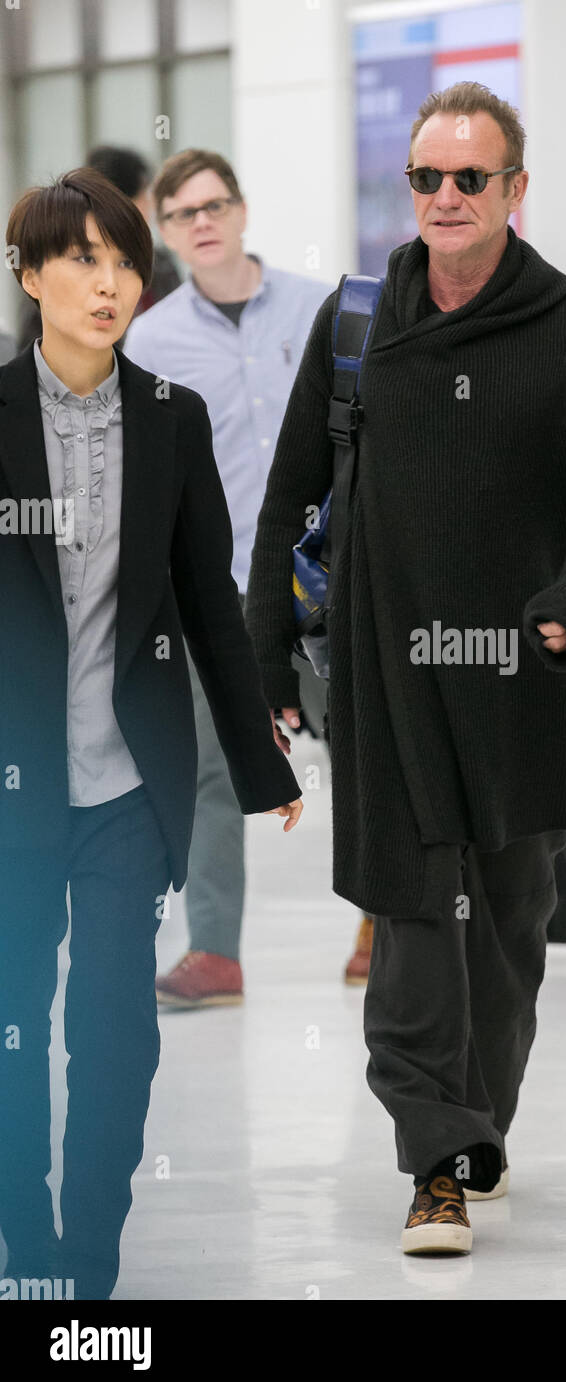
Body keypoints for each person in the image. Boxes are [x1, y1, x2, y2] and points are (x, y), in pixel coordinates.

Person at [246, 81, 566, 1255]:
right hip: (385, 669)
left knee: (510, 918)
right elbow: (287, 495)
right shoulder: (359, 321)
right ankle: (433, 1165)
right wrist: (268, 644)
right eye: (428, 177)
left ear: (515, 190)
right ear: (408, 188)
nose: (448, 196)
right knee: (416, 911)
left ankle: (476, 1124)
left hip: (519, 671)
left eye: (473, 177)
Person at [0, 168, 303, 1299]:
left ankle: (88, 1263)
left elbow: (207, 605)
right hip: (12, 784)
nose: (108, 281)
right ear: (29, 276)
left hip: (129, 784)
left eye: (126, 260)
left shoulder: (170, 422)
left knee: (117, 1028)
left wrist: (262, 755)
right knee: (11, 1025)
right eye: (78, 257)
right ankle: (25, 1252)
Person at [125, 149, 332, 1009]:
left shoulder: (320, 308)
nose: (202, 223)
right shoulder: (151, 338)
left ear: (242, 211)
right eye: (183, 214)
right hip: (214, 589)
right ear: (166, 233)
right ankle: (214, 954)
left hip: (324, 580)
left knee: (364, 756)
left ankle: (383, 926)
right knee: (210, 769)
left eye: (215, 205)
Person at [16, 145, 181, 352]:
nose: (109, 285)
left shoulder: (161, 265)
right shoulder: (51, 266)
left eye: (126, 264)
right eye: (86, 260)